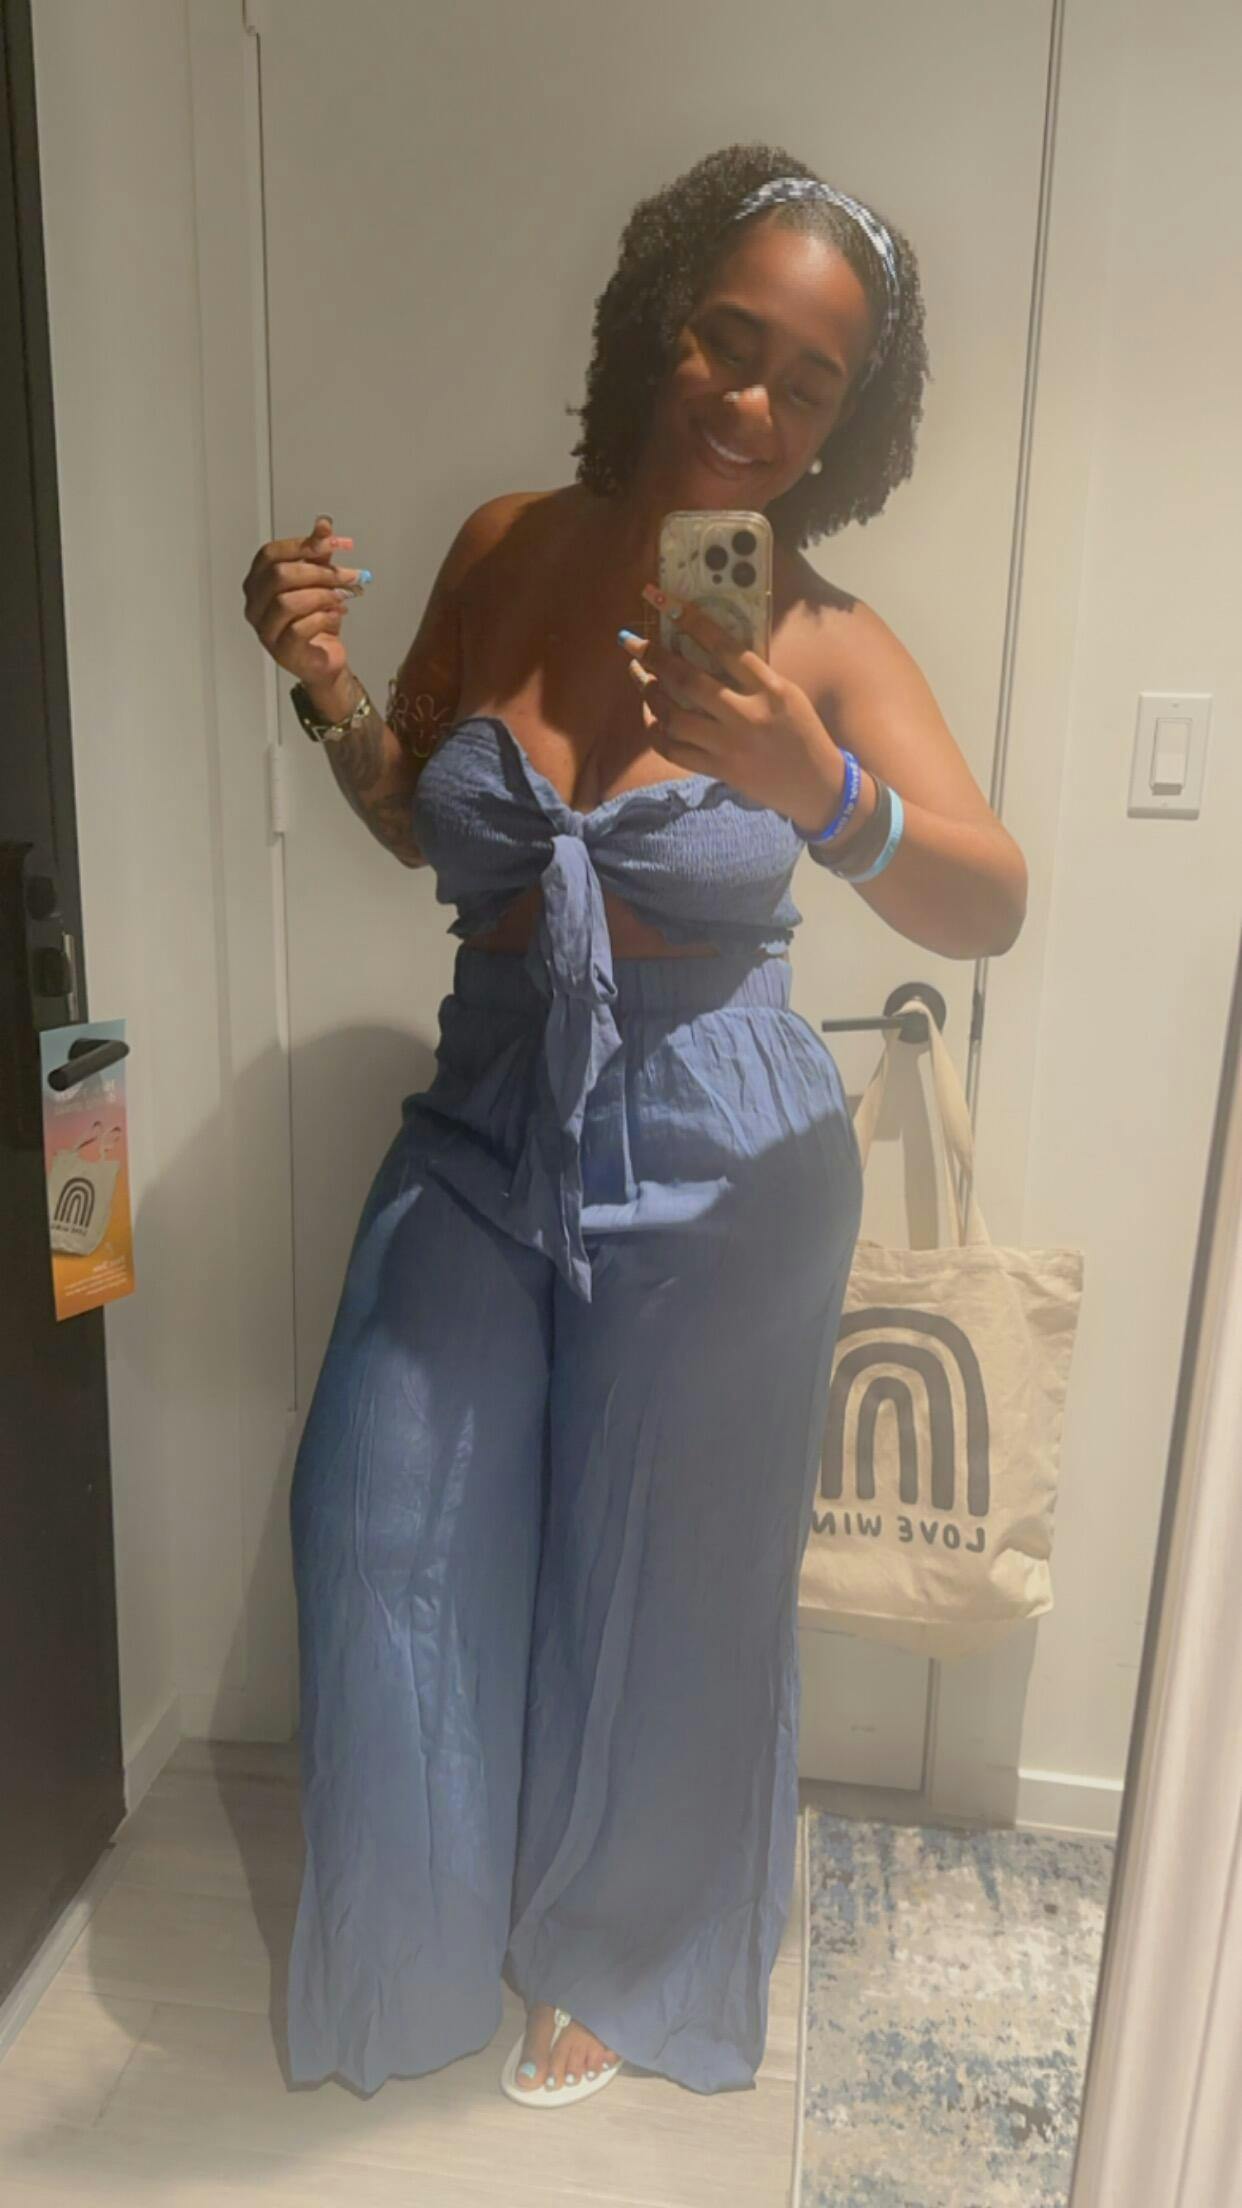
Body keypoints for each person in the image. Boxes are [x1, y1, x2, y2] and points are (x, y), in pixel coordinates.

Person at [242, 142, 1027, 2108]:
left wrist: (820, 787)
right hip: (487, 1106)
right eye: (727, 341)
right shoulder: (507, 545)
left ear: (847, 422)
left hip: (722, 1138)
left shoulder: (818, 637)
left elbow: (989, 899)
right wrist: (321, 682)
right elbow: (415, 814)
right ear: (658, 321)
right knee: (382, 1520)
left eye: (808, 383)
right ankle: (418, 1941)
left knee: (668, 1576)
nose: (751, 404)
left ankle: (619, 1950)